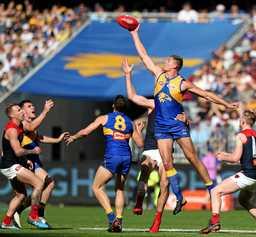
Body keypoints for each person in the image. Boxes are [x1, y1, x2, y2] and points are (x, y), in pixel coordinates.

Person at [129, 25, 238, 215]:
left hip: (177, 124)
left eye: (168, 60)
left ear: (175, 66)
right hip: (162, 127)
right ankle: (179, 196)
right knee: (168, 162)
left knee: (192, 157)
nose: (164, 61)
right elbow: (144, 56)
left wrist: (226, 105)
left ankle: (211, 187)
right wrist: (134, 33)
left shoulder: (182, 83)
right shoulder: (159, 76)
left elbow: (206, 94)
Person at [123, 58, 187, 232]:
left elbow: (184, 126)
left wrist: (185, 120)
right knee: (144, 175)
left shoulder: (177, 108)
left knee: (165, 185)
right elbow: (133, 97)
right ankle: (138, 202)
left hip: (166, 150)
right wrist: (128, 75)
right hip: (151, 147)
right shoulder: (154, 103)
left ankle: (157, 221)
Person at [65, 95, 144, 232]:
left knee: (96, 187)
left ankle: (112, 218)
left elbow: (86, 132)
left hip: (113, 156)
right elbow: (140, 143)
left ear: (113, 105)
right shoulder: (130, 122)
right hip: (126, 157)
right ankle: (119, 220)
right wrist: (137, 130)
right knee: (120, 188)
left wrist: (74, 137)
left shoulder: (104, 118)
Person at [200, 109, 256, 234]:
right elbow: (249, 157)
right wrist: (231, 159)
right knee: (244, 200)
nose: (239, 121)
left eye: (240, 119)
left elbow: (235, 158)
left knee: (215, 191)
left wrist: (224, 156)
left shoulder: (241, 135)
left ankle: (214, 222)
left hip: (248, 174)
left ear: (243, 121)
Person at [13, 100, 68, 228]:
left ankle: (25, 213)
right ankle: (35, 216)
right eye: (29, 106)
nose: (33, 107)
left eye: (33, 105)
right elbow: (31, 129)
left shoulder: (32, 124)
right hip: (26, 161)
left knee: (42, 188)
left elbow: (39, 138)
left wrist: (57, 140)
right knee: (42, 186)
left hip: (34, 161)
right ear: (22, 111)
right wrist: (45, 111)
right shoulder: (23, 124)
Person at [0, 104, 49, 229]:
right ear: (12, 115)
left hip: (10, 164)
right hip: (10, 165)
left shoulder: (19, 126)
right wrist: (32, 152)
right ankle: (33, 216)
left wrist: (25, 160)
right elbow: (17, 151)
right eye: (19, 110)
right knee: (39, 183)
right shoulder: (12, 129)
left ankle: (6, 222)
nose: (22, 111)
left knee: (21, 195)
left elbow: (14, 150)